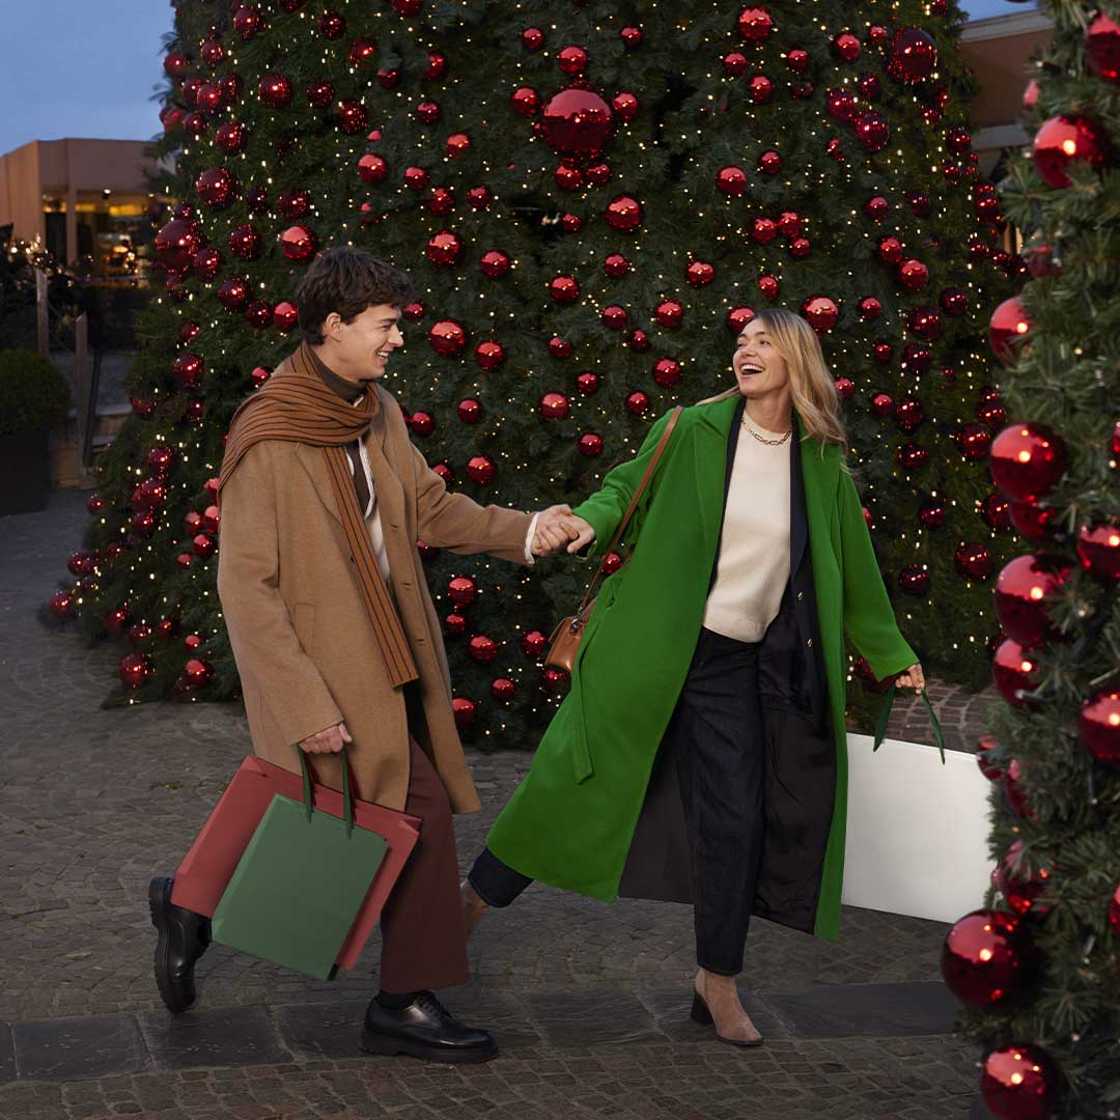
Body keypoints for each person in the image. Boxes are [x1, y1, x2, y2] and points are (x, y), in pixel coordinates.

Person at [148, 247, 578, 1064]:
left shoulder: (375, 410)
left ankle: (190, 904)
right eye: (385, 325)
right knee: (405, 812)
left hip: (392, 654)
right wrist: (303, 704)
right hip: (326, 670)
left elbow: (429, 508)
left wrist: (527, 529)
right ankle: (403, 1000)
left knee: (335, 816)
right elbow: (247, 587)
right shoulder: (269, 434)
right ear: (334, 326)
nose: (398, 340)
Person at [462, 308, 926, 1048]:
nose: (746, 350)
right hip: (646, 649)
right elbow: (624, 491)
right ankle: (465, 912)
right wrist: (588, 521)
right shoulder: (691, 429)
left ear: (797, 359)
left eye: (763, 341)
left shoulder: (821, 460)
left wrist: (891, 653)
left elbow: (853, 565)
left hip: (735, 668)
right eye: (740, 341)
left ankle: (717, 979)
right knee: (565, 790)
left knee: (735, 821)